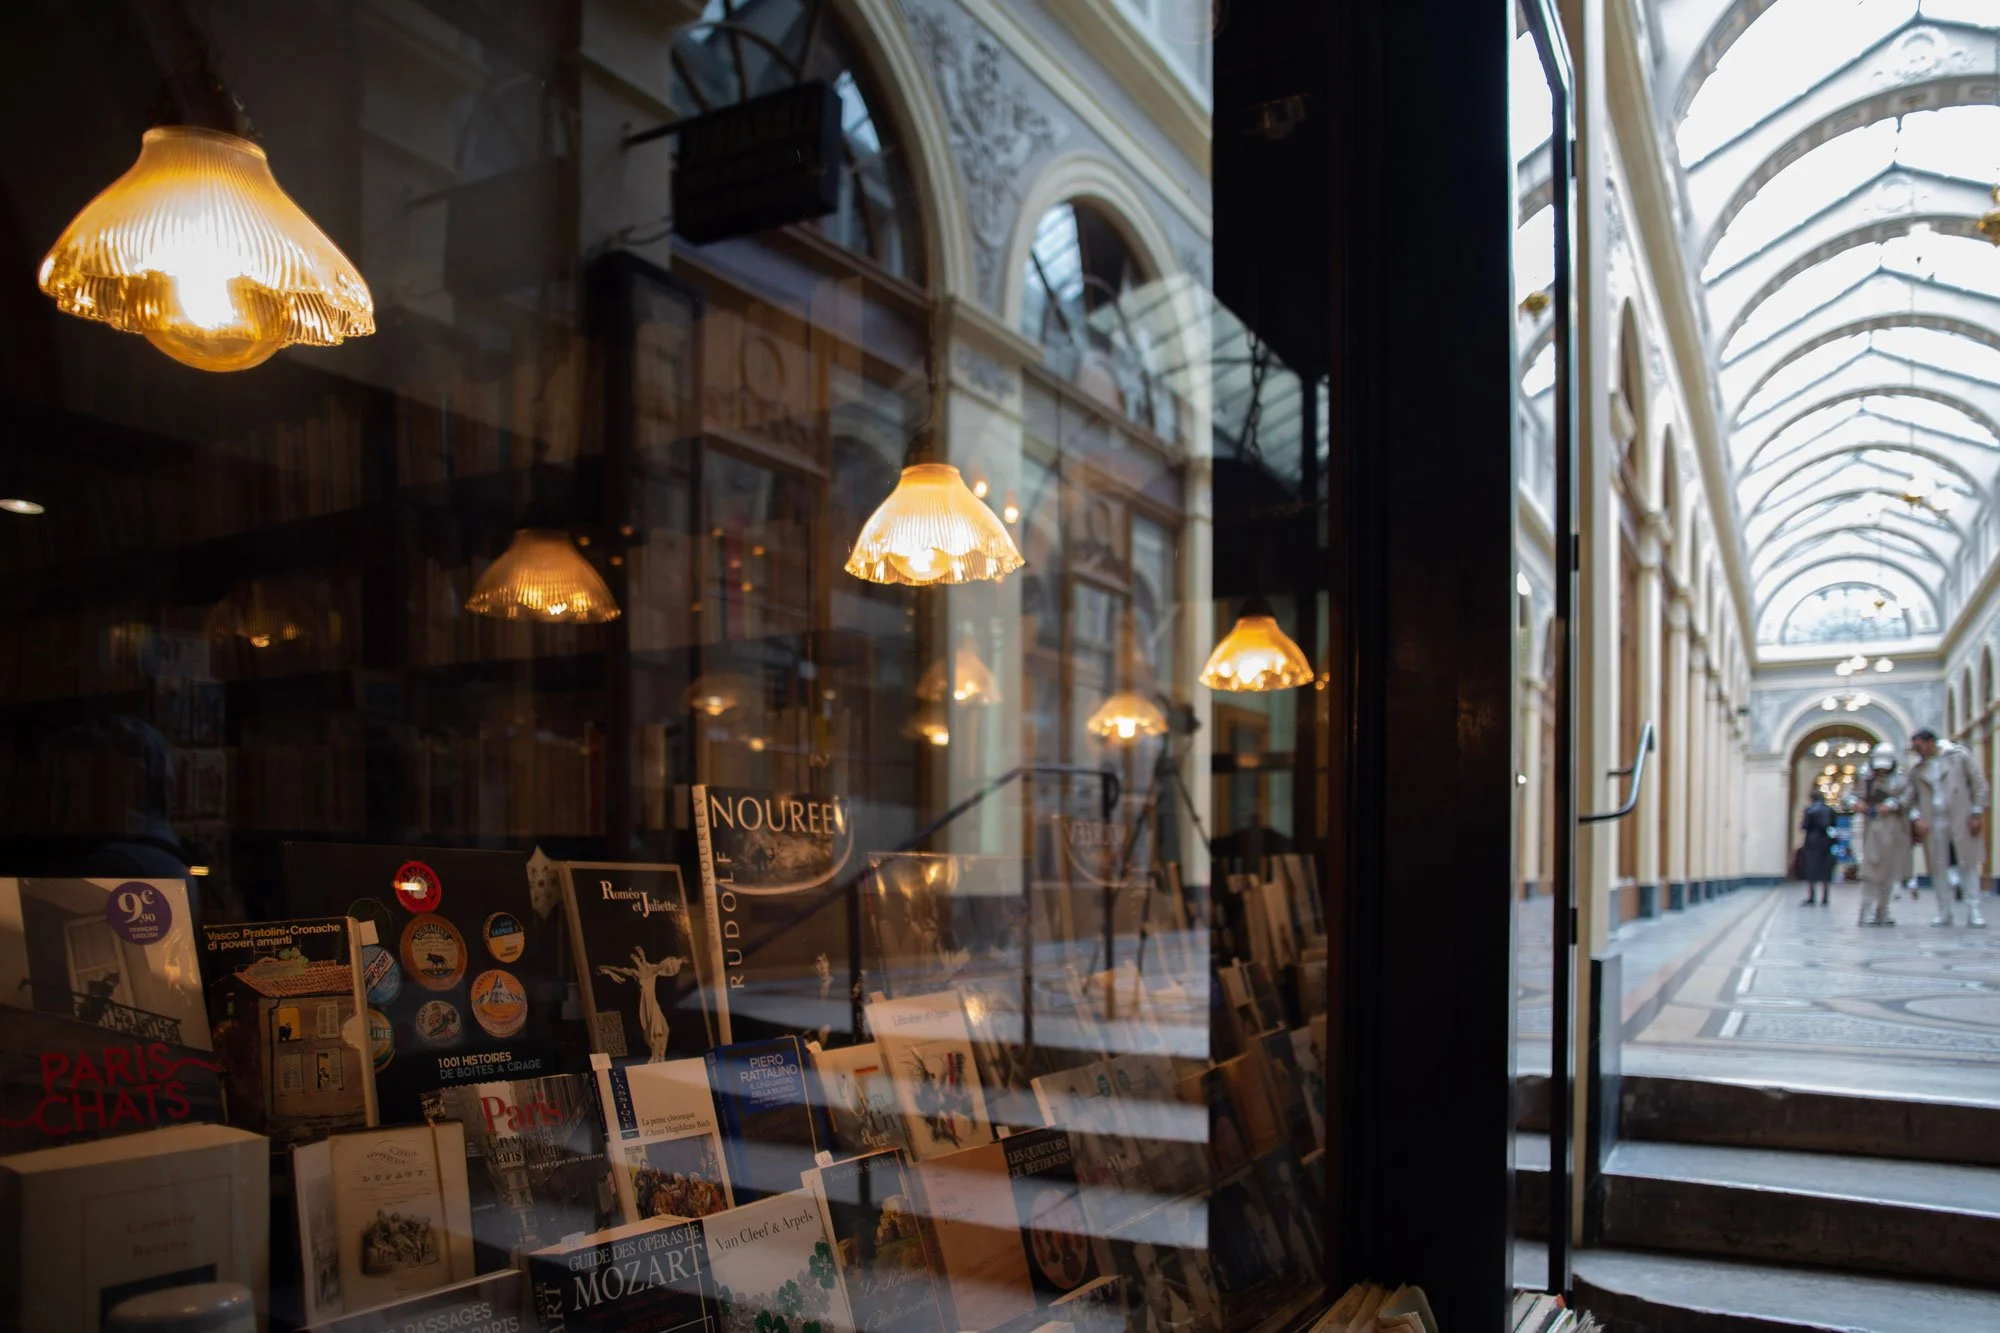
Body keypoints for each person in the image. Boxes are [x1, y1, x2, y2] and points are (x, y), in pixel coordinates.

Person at [1909, 728, 1989, 928]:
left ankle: (1974, 910)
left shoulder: (1958, 756)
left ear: (1930, 742)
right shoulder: (1917, 769)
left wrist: (1977, 812)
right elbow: (1910, 798)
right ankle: (1944, 911)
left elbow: (1978, 783)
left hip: (1961, 817)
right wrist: (1916, 818)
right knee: (1939, 867)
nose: (1917, 750)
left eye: (1919, 746)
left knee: (1967, 864)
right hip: (1933, 821)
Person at [1856, 744, 1914, 926]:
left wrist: (1892, 805)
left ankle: (1883, 911)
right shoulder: (1865, 776)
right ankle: (1865, 911)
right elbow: (1851, 795)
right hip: (1872, 827)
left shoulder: (1902, 777)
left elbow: (1908, 798)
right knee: (1870, 871)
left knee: (1890, 871)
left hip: (1894, 828)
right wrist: (1856, 803)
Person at [1797, 792, 1836, 906]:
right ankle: (1825, 897)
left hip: (1812, 842)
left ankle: (1812, 896)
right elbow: (1833, 825)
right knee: (1825, 869)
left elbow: (1804, 826)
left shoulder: (1809, 810)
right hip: (1826, 842)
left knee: (1811, 868)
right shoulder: (1830, 810)